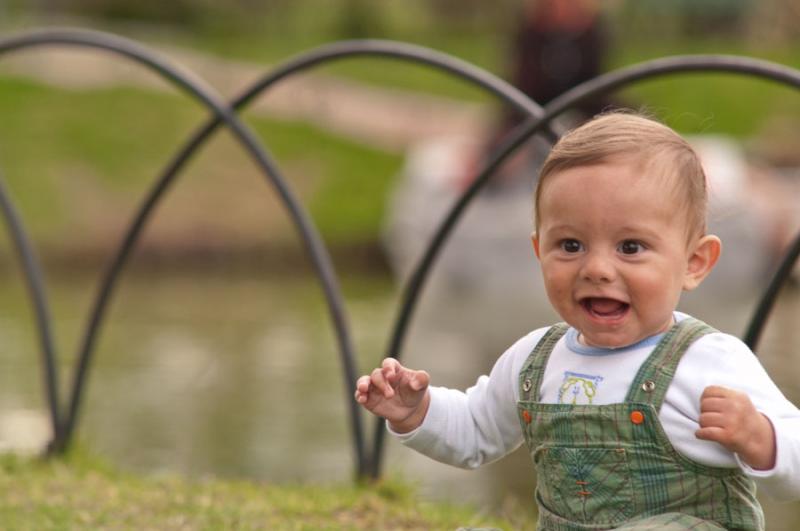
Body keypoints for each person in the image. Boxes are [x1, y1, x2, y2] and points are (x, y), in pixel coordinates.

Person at [356, 111, 800, 529]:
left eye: (630, 247)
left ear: (694, 263)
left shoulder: (708, 362)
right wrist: (417, 412)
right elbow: (475, 430)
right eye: (571, 246)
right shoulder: (536, 360)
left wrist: (761, 438)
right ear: (539, 252)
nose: (597, 269)